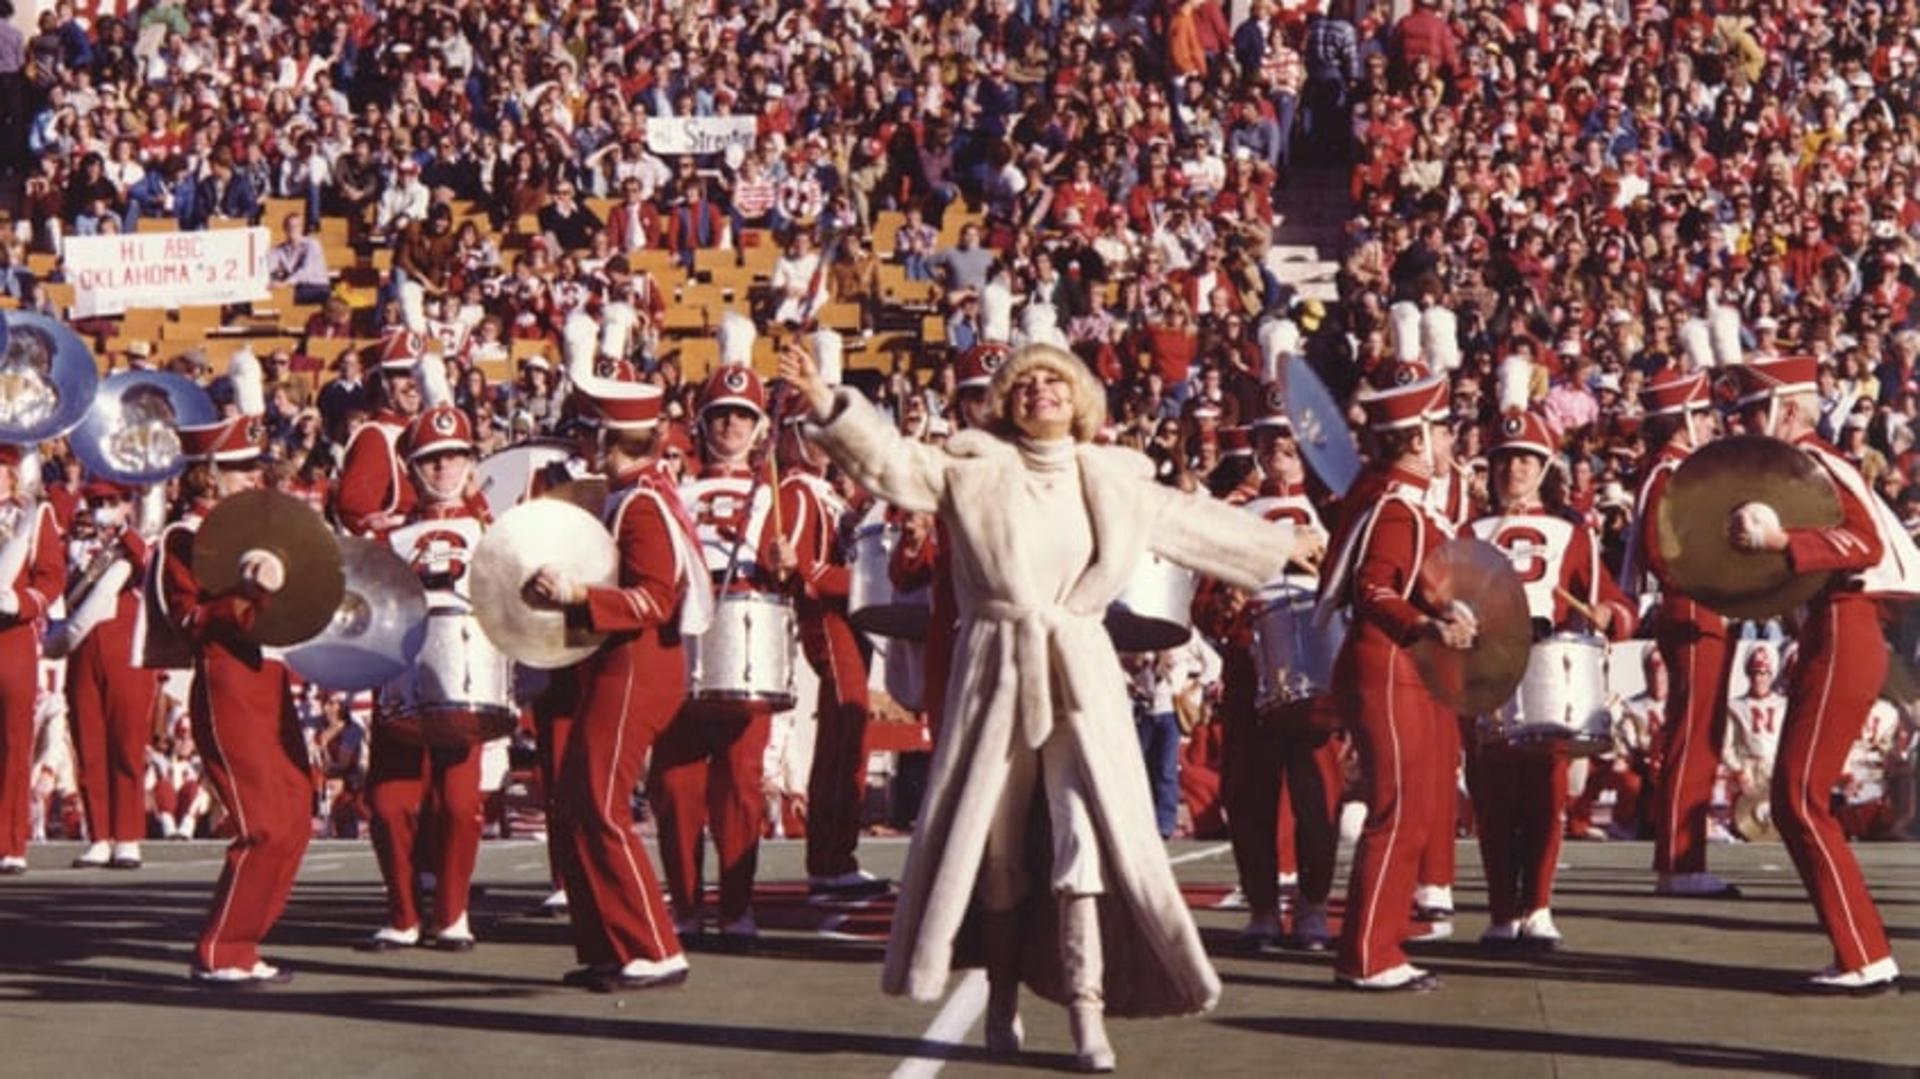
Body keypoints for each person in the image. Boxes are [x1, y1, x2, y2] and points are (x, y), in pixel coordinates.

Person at [784, 341, 1313, 1071]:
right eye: (1027, 382)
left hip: (1083, 675)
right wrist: (828, 402)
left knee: (1083, 844)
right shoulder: (974, 468)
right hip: (993, 673)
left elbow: (1193, 523)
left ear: (1081, 399)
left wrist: (1283, 544)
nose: (1042, 391)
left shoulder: (1113, 477)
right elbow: (894, 463)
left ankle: (1087, 1014)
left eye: (1056, 381)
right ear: (1008, 401)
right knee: (998, 852)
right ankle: (1001, 999)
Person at [1721, 354, 1914, 994]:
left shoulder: (1820, 461)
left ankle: (1863, 953)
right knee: (1796, 796)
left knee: (1799, 796)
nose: (1746, 424)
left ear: (1791, 408)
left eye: (1756, 410)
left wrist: (1783, 542)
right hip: (1829, 629)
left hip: (1845, 623)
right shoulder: (1803, 470)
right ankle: (1860, 950)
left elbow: (1865, 544)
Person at [528, 372, 703, 993]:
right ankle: (610, 944)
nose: (581, 444)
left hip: (636, 666)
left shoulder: (642, 503)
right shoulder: (630, 494)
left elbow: (655, 599)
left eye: (587, 431)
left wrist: (578, 595)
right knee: (576, 801)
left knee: (600, 803)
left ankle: (654, 947)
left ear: (609, 436)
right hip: (618, 665)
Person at [144, 354, 307, 985]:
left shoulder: (259, 531)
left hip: (270, 678)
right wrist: (246, 590)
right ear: (209, 477)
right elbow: (189, 620)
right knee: (261, 823)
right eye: (239, 470)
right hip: (227, 684)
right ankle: (222, 950)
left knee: (294, 815)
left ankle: (247, 941)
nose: (252, 479)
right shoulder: (185, 538)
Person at [1317, 360, 1472, 992]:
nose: (1450, 444)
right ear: (1416, 436)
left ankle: (1381, 940)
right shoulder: (1397, 507)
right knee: (1397, 805)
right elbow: (1376, 588)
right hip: (1388, 664)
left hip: (1401, 663)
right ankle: (1367, 955)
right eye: (1442, 431)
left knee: (1413, 804)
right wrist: (1428, 626)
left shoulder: (1402, 502)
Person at [1467, 392, 1636, 949]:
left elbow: (1611, 602)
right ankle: (1500, 910)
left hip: (1548, 671)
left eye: (1524, 460)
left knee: (1544, 792)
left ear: (1543, 469)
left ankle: (1537, 906)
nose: (1513, 470)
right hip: (1487, 668)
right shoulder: (1467, 532)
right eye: (1504, 459)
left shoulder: (1574, 533)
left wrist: (1611, 613)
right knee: (1491, 797)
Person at [358, 359, 492, 953]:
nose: (444, 467)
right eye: (432, 459)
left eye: (455, 456)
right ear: (412, 469)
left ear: (470, 464)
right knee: (389, 804)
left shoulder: (495, 532)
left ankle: (454, 913)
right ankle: (403, 913)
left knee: (460, 804)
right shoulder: (387, 539)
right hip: (400, 683)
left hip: (465, 679)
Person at [655, 356, 779, 945]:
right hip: (686, 633)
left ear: (759, 428)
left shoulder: (780, 494)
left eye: (742, 416)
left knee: (740, 781)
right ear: (702, 423)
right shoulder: (676, 491)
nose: (731, 426)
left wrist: (785, 566)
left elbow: (799, 573)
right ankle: (683, 901)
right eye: (721, 415)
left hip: (747, 644)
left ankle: (736, 904)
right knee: (677, 782)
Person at [760, 389, 885, 899]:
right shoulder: (796, 489)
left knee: (850, 734)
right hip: (827, 618)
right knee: (842, 734)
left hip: (849, 620)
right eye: (810, 432)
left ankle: (838, 854)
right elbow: (799, 568)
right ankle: (830, 858)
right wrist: (859, 581)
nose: (821, 444)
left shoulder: (826, 490)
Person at [1626, 367, 1743, 897]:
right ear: (1686, 419)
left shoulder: (1670, 469)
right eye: (1704, 416)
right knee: (1694, 736)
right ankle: (1679, 860)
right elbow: (1660, 547)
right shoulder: (1671, 473)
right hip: (1696, 609)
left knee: (1699, 733)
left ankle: (1682, 856)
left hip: (1700, 608)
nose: (1712, 427)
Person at [53, 479, 158, 870]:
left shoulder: (136, 542)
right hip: (83, 653)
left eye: (111, 501)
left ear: (127, 504)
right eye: (97, 501)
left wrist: (123, 531)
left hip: (125, 651)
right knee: (89, 744)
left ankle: (128, 835)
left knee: (127, 744)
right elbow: (62, 584)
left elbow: (148, 565)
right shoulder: (77, 544)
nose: (103, 508)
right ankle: (99, 835)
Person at [0, 444, 65, 875]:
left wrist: (18, 601)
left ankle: (9, 842)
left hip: (12, 637)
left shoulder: (32, 519)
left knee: (14, 740)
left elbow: (52, 578)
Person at [331, 331, 427, 537]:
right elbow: (357, 512)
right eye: (402, 374)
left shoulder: (423, 430)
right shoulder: (374, 437)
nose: (412, 383)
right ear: (382, 382)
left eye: (417, 374)